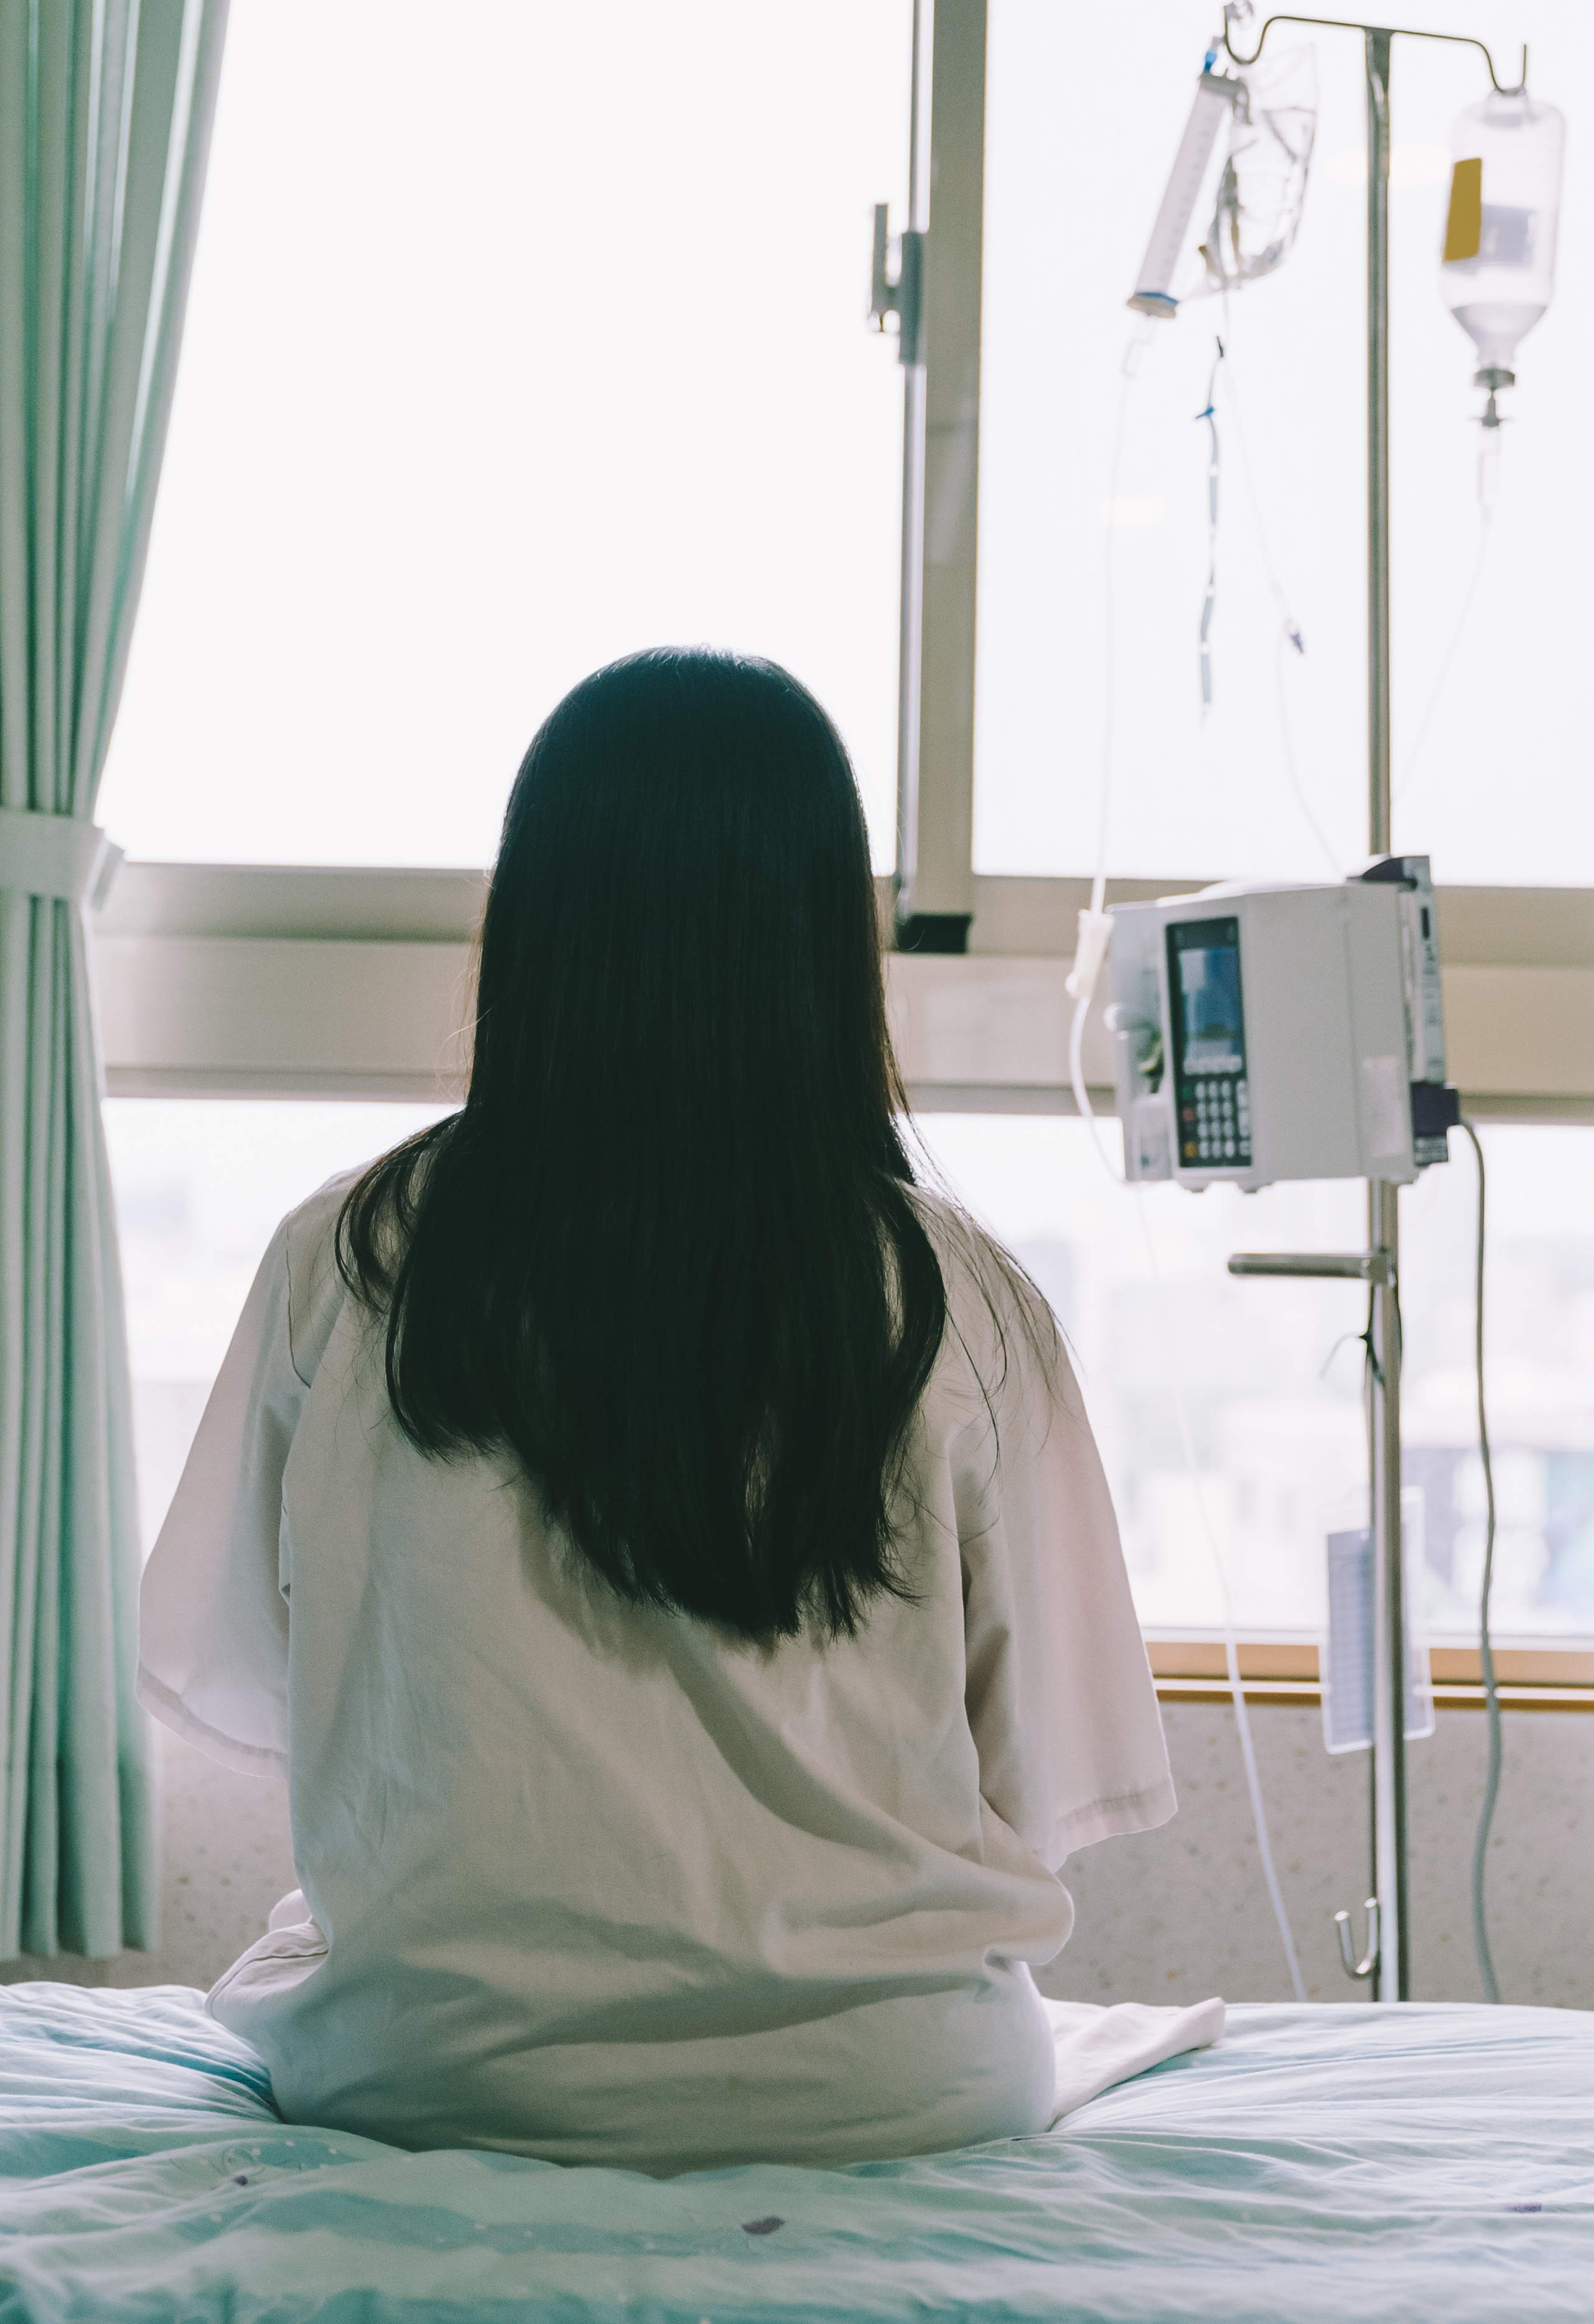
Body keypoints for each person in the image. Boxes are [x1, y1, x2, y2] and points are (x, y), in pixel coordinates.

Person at [139, 648, 1216, 2175]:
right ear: (825, 948)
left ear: (534, 922)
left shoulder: (356, 1257)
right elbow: (1040, 1775)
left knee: (287, 1959)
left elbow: (255, 1673)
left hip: (429, 2074)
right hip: (896, 2088)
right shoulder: (960, 1302)